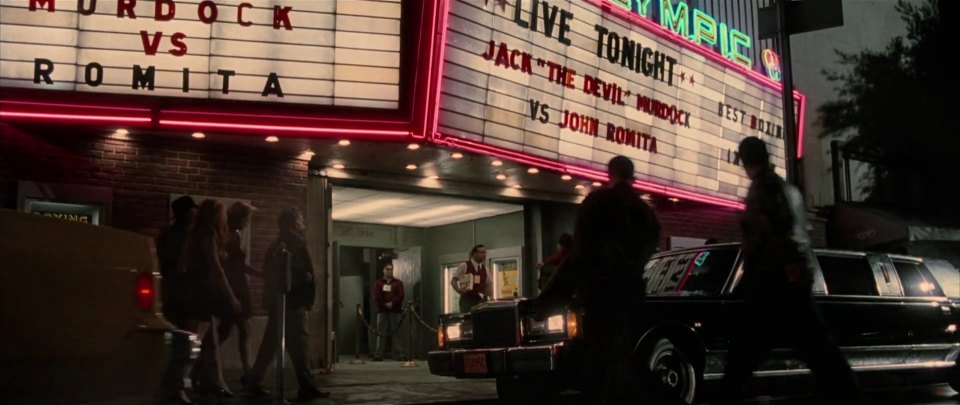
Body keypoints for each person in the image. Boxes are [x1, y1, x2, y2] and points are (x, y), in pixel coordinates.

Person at [720, 137, 862, 404]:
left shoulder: (766, 188)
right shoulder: (780, 187)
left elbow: (777, 233)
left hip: (775, 283)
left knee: (749, 351)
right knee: (815, 349)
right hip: (782, 282)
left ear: (745, 159)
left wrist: (769, 273)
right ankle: (847, 393)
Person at [538, 156, 663, 403]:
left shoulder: (597, 204)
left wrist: (549, 298)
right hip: (632, 295)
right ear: (631, 174)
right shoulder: (645, 212)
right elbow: (647, 250)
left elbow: (578, 256)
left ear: (610, 173)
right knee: (628, 361)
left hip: (600, 297)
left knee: (600, 365)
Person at [244, 208, 329, 400]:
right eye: (300, 220)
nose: (303, 224)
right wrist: (304, 278)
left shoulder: (275, 243)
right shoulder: (294, 243)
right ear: (293, 223)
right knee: (300, 347)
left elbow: (270, 270)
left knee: (270, 344)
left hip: (279, 303)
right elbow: (291, 268)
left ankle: (254, 380)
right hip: (292, 303)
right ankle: (306, 387)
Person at [182, 199, 241, 398]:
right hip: (202, 293)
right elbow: (216, 268)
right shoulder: (208, 235)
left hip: (199, 291)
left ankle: (218, 383)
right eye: (222, 213)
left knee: (209, 342)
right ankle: (179, 385)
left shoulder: (198, 234)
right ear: (216, 215)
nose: (225, 217)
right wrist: (231, 297)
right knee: (195, 341)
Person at [156, 196, 197, 404]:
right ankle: (176, 387)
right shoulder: (177, 237)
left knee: (182, 343)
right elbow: (177, 266)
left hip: (175, 294)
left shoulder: (169, 235)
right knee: (183, 342)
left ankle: (172, 385)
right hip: (179, 296)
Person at [217, 201, 260, 381]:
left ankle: (246, 370)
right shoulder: (232, 236)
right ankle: (247, 371)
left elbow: (237, 265)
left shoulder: (232, 234)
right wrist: (258, 273)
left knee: (233, 330)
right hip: (236, 287)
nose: (248, 222)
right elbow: (236, 266)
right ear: (240, 218)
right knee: (240, 329)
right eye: (247, 218)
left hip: (236, 286)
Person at [371, 262, 405, 361]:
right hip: (382, 311)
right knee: (381, 333)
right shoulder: (378, 283)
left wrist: (392, 303)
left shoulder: (398, 283)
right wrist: (385, 303)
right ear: (383, 270)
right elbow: (377, 295)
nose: (390, 271)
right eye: (388, 269)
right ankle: (378, 354)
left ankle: (400, 354)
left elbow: (401, 295)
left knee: (397, 333)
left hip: (396, 311)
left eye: (391, 269)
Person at [450, 244, 491, 313]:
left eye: (485, 252)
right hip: (467, 301)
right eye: (481, 252)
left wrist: (487, 297)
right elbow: (453, 281)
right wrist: (459, 291)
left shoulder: (486, 269)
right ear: (474, 254)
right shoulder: (464, 266)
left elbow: (488, 285)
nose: (484, 255)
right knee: (468, 321)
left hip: (481, 301)